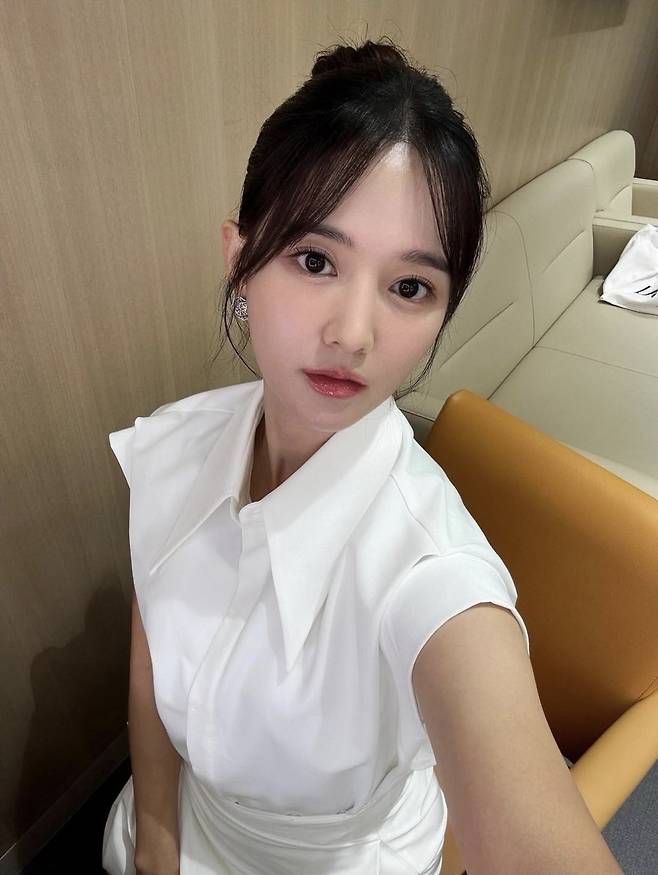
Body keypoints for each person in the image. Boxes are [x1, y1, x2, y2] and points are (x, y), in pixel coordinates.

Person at [102, 37, 624, 875]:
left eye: (409, 287)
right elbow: (152, 642)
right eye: (315, 260)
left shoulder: (431, 573)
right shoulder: (176, 444)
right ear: (240, 262)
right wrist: (158, 841)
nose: (353, 334)